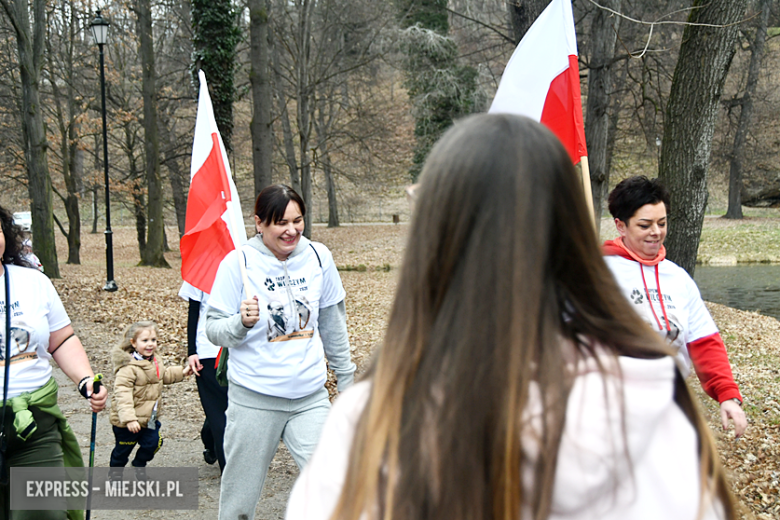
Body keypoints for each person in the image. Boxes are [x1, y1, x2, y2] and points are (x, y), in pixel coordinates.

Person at [285, 114, 736, 520]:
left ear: (433, 242)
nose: (656, 233)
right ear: (571, 235)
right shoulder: (650, 405)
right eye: (646, 224)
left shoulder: (372, 418)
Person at [205, 184, 356, 519]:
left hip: (309, 398)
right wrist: (239, 323)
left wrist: (346, 380)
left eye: (298, 221)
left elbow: (332, 323)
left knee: (336, 486)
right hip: (255, 400)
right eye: (281, 223)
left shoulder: (319, 257)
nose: (292, 231)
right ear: (259, 223)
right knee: (239, 504)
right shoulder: (238, 263)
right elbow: (213, 328)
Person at [603, 175, 747, 439]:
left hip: (671, 405)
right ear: (620, 226)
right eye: (645, 225)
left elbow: (704, 341)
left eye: (662, 223)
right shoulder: (598, 272)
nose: (656, 232)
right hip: (612, 410)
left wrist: (726, 395)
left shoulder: (678, 278)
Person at [0, 204, 107, 519]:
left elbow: (61, 340)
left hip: (35, 425)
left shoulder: (32, 281)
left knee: (44, 513)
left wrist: (86, 380)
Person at [108, 321, 191, 481]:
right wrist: (129, 419)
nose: (150, 344)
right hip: (127, 422)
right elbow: (122, 395)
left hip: (149, 418)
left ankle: (139, 464)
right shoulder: (128, 368)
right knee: (122, 451)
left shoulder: (155, 360)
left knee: (154, 443)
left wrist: (182, 372)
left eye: (153, 340)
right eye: (145, 340)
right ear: (133, 342)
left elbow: (163, 375)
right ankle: (115, 475)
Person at [178, 282, 228, 471]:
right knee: (218, 411)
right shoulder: (200, 270)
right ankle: (227, 466)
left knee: (224, 410)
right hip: (208, 350)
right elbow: (194, 311)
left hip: (236, 349)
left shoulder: (243, 265)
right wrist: (192, 351)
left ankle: (213, 445)